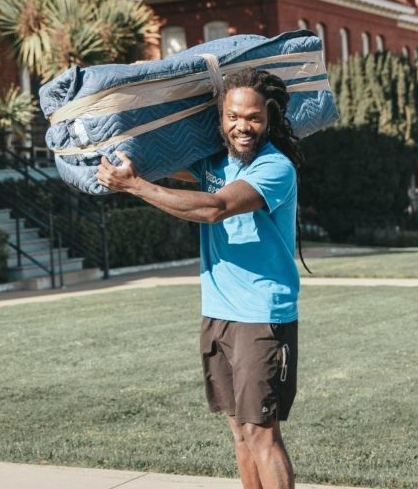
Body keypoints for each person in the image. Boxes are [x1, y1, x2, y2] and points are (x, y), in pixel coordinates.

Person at [96, 67, 301, 489]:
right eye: (233, 116)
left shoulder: (274, 168)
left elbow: (214, 208)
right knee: (239, 433)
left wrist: (135, 187)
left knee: (262, 433)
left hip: (261, 315)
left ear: (269, 119)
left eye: (253, 118)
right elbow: (162, 164)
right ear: (220, 117)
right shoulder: (210, 161)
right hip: (217, 311)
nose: (242, 127)